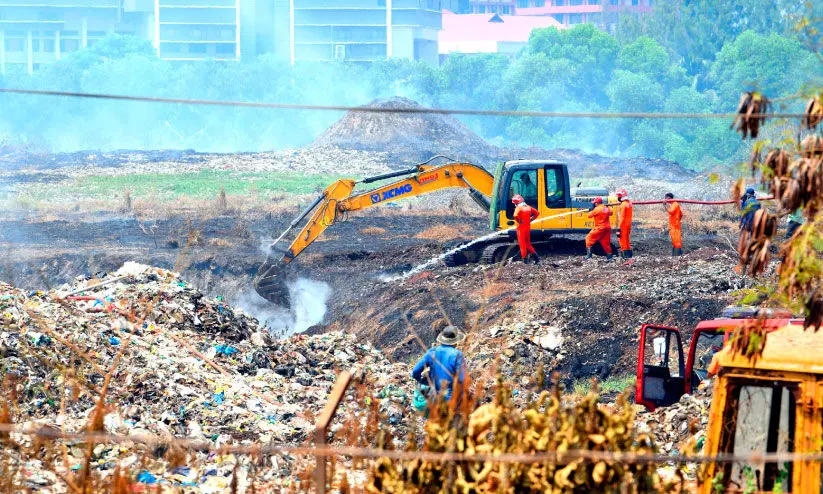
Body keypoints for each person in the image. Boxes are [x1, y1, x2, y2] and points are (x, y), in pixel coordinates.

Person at [412, 326, 467, 401]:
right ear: (455, 343)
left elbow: (415, 371)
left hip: (434, 397)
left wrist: (423, 381)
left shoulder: (431, 352)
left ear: (441, 341)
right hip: (451, 399)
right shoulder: (458, 355)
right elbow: (462, 379)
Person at [512, 194, 540, 264]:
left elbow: (515, 215)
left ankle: (525, 261)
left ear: (516, 203)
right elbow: (537, 213)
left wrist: (519, 221)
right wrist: (531, 219)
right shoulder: (528, 207)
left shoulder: (518, 208)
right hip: (527, 228)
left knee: (522, 245)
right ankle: (537, 259)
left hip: (521, 229)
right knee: (528, 244)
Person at [615, 189, 633, 260]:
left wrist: (619, 228)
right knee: (627, 240)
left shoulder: (623, 205)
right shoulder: (629, 203)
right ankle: (629, 256)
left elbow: (622, 217)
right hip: (628, 224)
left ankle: (625, 257)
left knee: (622, 240)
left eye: (618, 196)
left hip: (623, 225)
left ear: (620, 196)